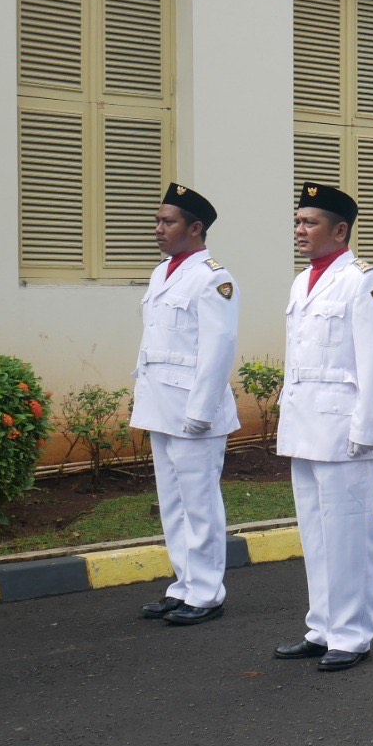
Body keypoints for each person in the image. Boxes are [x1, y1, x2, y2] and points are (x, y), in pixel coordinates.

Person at [272, 182, 373, 673]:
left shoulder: (364, 281)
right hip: (305, 426)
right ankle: (321, 626)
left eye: (310, 222)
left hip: (346, 431)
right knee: (315, 534)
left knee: (347, 535)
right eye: (299, 222)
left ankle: (351, 634)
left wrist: (367, 429)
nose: (300, 230)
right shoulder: (301, 282)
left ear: (340, 230)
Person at [131, 183, 240, 626]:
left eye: (168, 221)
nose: (158, 228)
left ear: (195, 228)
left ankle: (207, 591)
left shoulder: (214, 277)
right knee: (172, 502)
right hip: (161, 404)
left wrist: (200, 410)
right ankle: (184, 585)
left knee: (200, 504)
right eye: (158, 220)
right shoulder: (163, 273)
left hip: (195, 410)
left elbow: (218, 348)